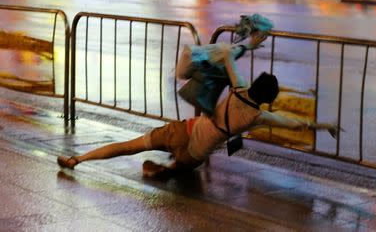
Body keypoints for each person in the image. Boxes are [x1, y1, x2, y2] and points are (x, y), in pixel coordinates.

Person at [57, 72, 338, 176]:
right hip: (195, 153)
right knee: (185, 167)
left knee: (129, 146)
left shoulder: (237, 89)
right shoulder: (257, 117)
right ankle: (168, 169)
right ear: (269, 98)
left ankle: (77, 160)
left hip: (182, 130)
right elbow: (294, 124)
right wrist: (325, 125)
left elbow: (229, 54)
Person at [176, 14, 274, 116]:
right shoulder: (233, 49)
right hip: (198, 92)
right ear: (256, 34)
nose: (265, 38)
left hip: (200, 89)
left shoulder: (235, 47)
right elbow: (230, 56)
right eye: (264, 35)